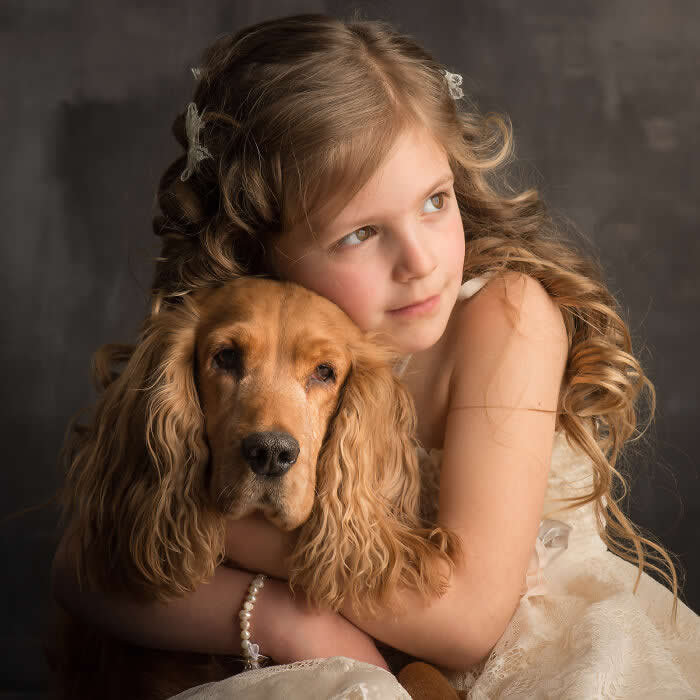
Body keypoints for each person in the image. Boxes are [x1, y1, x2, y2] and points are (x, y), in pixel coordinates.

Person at [51, 12, 700, 699]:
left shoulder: (504, 317)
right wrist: (300, 629)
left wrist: (212, 522)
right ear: (266, 252)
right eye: (361, 233)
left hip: (523, 656)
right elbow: (80, 570)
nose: (421, 262)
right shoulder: (246, 339)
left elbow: (470, 624)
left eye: (435, 201)